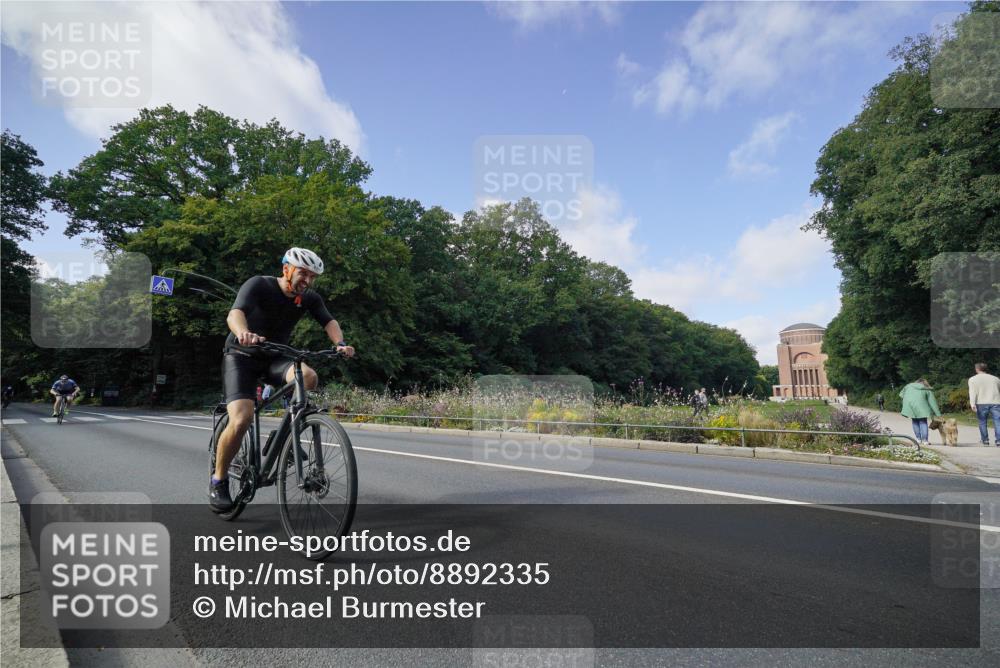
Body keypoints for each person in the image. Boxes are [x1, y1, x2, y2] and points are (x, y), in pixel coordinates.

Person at [210, 247, 355, 512]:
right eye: (303, 274)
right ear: (286, 268)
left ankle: (285, 433)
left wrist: (340, 343)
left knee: (308, 376)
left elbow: (329, 321)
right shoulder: (259, 285)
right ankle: (218, 481)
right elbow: (235, 313)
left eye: (313, 277)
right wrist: (243, 332)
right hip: (241, 355)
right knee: (241, 418)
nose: (308, 281)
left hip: (275, 357)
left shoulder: (308, 298)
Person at [899, 378, 941, 447]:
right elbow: (932, 402)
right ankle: (925, 440)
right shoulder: (926, 389)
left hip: (910, 406)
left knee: (915, 421)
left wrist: (909, 398)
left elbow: (901, 395)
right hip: (921, 407)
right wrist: (938, 414)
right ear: (925, 384)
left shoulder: (908, 386)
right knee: (923, 422)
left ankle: (918, 439)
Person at [969, 362, 1000, 447]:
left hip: (981, 403)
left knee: (982, 422)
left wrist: (972, 404)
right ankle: (999, 441)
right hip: (996, 402)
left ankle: (985, 440)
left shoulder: (972, 379)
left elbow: (972, 392)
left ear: (977, 369)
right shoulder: (996, 379)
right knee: (998, 422)